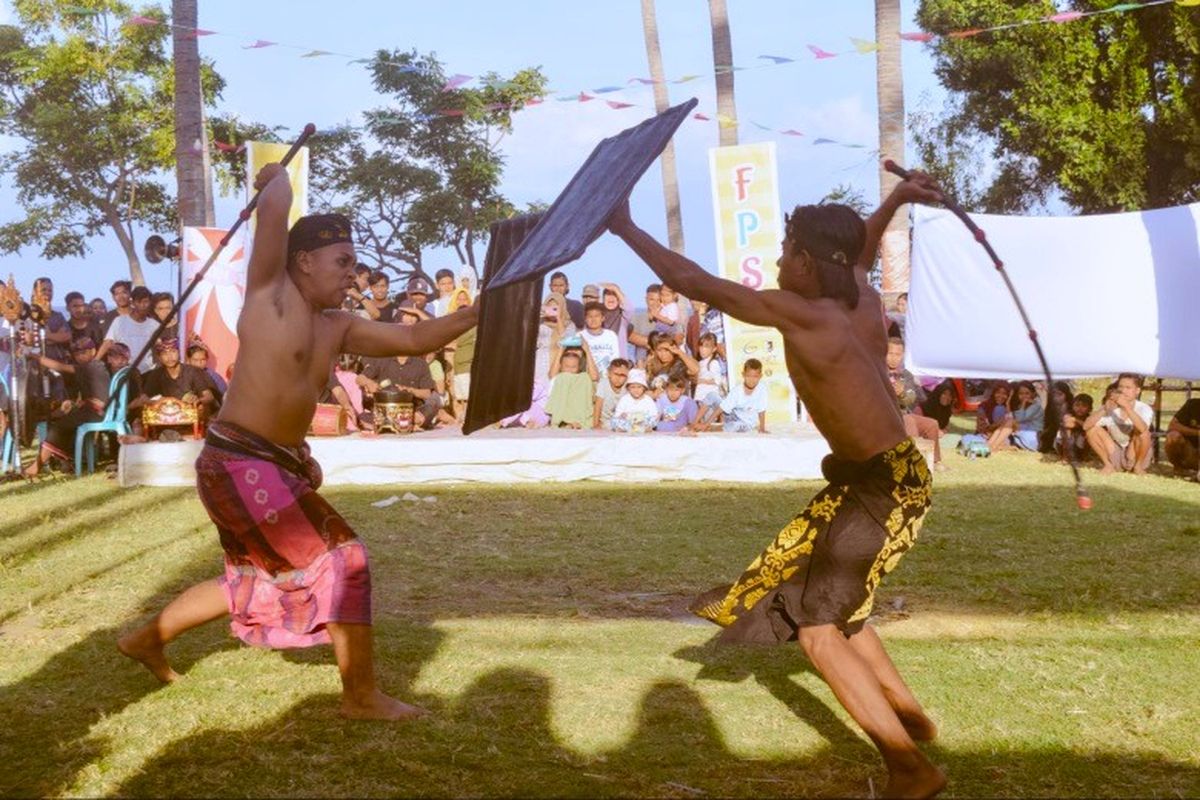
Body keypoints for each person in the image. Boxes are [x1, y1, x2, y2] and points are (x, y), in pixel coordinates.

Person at [608, 172, 946, 797]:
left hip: (879, 486)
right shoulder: (860, 298)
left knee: (819, 632)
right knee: (825, 597)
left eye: (790, 249)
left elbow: (695, 284)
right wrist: (895, 200)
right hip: (887, 476)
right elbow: (860, 250)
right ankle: (908, 715)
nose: (782, 258)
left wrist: (625, 226)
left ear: (810, 263)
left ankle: (911, 769)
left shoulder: (802, 312)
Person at [117, 162, 478, 721]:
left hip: (269, 464)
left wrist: (476, 313)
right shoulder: (269, 295)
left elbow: (413, 335)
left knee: (251, 579)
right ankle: (360, 697)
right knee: (345, 557)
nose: (352, 275)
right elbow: (274, 212)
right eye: (343, 262)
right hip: (239, 461)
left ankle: (146, 640)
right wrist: (274, 181)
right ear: (304, 261)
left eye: (354, 264)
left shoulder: (337, 324)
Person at [21, 337, 110, 477]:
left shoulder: (93, 366)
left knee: (58, 427)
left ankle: (36, 466)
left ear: (93, 351)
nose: (80, 356)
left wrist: (36, 357)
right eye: (77, 354)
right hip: (92, 410)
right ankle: (68, 462)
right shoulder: (92, 367)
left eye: (84, 352)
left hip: (97, 412)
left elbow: (60, 367)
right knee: (61, 420)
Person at [357, 308, 443, 431]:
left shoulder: (420, 363)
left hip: (413, 409)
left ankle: (406, 422)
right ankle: (404, 424)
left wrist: (410, 390)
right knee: (363, 416)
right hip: (387, 409)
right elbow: (359, 378)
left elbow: (427, 393)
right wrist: (369, 382)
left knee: (434, 400)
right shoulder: (381, 359)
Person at [1084, 373, 1153, 474]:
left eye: (1128, 387)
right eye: (1120, 387)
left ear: (1137, 391)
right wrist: (1104, 409)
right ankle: (1108, 465)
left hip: (1134, 453)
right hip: (1116, 452)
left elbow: (1143, 429)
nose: (1123, 391)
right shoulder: (1112, 406)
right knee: (1092, 430)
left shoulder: (1144, 408)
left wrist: (1127, 407)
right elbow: (1086, 426)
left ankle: (1138, 467)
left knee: (1144, 433)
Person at [142, 338, 218, 416]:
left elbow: (209, 396)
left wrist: (198, 400)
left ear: (179, 353)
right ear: (159, 357)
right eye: (164, 354)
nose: (170, 357)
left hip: (189, 415)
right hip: (166, 416)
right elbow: (143, 398)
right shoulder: (156, 374)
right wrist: (158, 402)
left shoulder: (192, 371)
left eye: (173, 351)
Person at [97, 286, 160, 373]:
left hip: (147, 372)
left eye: (146, 302)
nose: (143, 305)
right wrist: (95, 362)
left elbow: (160, 346)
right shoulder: (120, 321)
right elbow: (108, 342)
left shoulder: (155, 325)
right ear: (133, 303)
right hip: (124, 371)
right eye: (139, 302)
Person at [698, 358, 767, 433]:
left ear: (760, 376)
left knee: (735, 426)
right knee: (712, 396)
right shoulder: (737, 390)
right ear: (743, 375)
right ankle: (695, 423)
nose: (751, 380)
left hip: (745, 423)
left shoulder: (762, 389)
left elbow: (761, 410)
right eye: (748, 376)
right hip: (732, 415)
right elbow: (722, 407)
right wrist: (707, 423)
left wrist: (762, 428)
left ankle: (713, 429)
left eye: (755, 377)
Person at [545, 346, 596, 429]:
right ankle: (566, 421)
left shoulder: (582, 377)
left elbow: (594, 377)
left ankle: (576, 421)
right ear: (561, 366)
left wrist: (587, 350)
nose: (570, 370)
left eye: (573, 367)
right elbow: (552, 375)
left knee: (585, 377)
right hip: (562, 408)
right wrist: (561, 348)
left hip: (578, 410)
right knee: (564, 377)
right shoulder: (559, 377)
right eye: (567, 367)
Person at [644, 331, 699, 399]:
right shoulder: (653, 366)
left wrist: (679, 352)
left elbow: (695, 370)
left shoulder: (680, 365)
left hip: (678, 406)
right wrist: (652, 394)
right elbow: (645, 389)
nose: (663, 354)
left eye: (666, 350)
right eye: (659, 350)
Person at [580, 301, 621, 375]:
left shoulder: (611, 336)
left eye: (597, 316)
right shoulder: (579, 336)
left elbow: (615, 359)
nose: (593, 319)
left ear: (603, 318)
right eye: (590, 316)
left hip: (607, 378)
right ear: (585, 319)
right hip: (586, 377)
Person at [610, 368, 658, 433]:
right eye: (633, 387)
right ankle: (624, 429)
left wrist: (647, 419)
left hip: (643, 423)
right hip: (628, 423)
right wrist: (621, 415)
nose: (636, 390)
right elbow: (617, 414)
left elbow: (654, 414)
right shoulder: (624, 399)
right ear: (628, 388)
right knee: (614, 421)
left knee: (652, 420)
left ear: (644, 388)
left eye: (639, 387)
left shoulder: (648, 400)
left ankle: (644, 429)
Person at [626, 283, 662, 365]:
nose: (655, 303)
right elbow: (630, 336)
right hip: (641, 364)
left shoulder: (668, 319)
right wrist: (656, 344)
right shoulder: (637, 317)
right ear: (646, 299)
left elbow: (677, 338)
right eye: (652, 299)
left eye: (659, 300)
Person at [1164, 395, 1200, 475]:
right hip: (1190, 451)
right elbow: (1173, 425)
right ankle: (1179, 468)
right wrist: (1197, 432)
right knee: (1173, 436)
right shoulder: (1192, 404)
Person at [1056, 393, 1094, 465]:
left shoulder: (1089, 418)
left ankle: (1084, 456)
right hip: (1064, 445)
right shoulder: (1069, 415)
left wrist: (1076, 421)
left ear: (1090, 409)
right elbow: (1067, 423)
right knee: (1067, 428)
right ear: (1072, 406)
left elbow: (1086, 426)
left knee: (1089, 432)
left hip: (1080, 446)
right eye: (1077, 405)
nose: (1080, 408)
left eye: (1084, 406)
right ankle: (1065, 457)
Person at [594, 357, 630, 429]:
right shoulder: (603, 384)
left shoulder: (628, 387)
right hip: (604, 422)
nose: (618, 378)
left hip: (622, 422)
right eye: (616, 374)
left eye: (622, 375)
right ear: (608, 373)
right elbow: (598, 406)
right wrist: (595, 425)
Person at [693, 332, 727, 405]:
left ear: (714, 349)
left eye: (706, 347)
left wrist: (702, 381)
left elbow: (718, 380)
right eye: (701, 346)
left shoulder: (713, 363)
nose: (702, 349)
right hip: (700, 398)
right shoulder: (700, 363)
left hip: (708, 401)